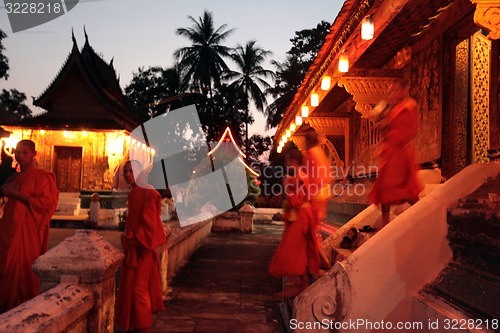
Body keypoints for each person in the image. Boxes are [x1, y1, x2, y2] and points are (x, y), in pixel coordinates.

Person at [0, 139, 59, 313]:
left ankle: (24, 309)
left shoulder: (42, 176)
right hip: (9, 228)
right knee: (6, 266)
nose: (20, 156)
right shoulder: (14, 176)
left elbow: (44, 204)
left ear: (34, 154)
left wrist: (15, 194)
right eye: (18, 152)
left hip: (27, 231)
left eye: (25, 152)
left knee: (24, 269)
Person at [115, 160, 167, 333]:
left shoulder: (149, 193)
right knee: (131, 288)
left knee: (139, 290)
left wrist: (134, 237)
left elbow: (151, 224)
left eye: (131, 171)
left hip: (142, 249)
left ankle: (144, 327)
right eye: (125, 171)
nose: (128, 174)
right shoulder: (135, 193)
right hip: (133, 248)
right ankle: (136, 324)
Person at [368, 78, 423, 228]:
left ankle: (425, 214)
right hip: (390, 154)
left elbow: (408, 132)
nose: (392, 94)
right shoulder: (396, 108)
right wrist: (382, 125)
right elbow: (390, 130)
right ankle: (385, 225)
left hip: (399, 155)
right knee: (386, 192)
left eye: (395, 90)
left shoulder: (408, 107)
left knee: (403, 191)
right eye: (391, 91)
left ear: (405, 90)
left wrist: (386, 130)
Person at [268, 148, 320, 297]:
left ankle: (303, 284)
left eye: (287, 161)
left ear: (292, 162)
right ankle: (302, 282)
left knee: (291, 249)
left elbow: (297, 200)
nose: (286, 165)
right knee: (297, 250)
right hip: (299, 216)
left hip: (301, 217)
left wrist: (286, 188)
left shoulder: (301, 177)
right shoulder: (298, 177)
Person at [303, 127, 332, 269]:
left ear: (308, 141)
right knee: (314, 229)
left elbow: (307, 178)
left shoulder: (309, 154)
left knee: (310, 229)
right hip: (324, 194)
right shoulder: (321, 152)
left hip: (315, 196)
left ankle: (323, 260)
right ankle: (319, 259)